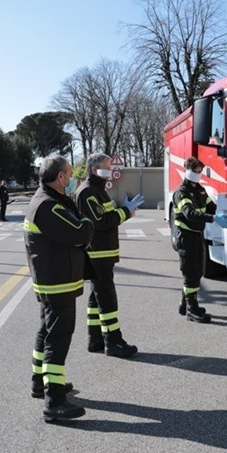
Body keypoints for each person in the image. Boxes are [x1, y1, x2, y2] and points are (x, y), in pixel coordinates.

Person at [25, 155, 94, 423]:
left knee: (46, 330)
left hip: (52, 279)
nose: (72, 177)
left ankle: (39, 383)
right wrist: (87, 221)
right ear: (61, 177)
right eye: (69, 173)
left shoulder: (46, 201)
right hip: (58, 281)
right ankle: (54, 400)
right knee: (58, 336)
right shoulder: (49, 207)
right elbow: (80, 233)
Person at [73, 152, 143, 358]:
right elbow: (101, 222)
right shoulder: (88, 192)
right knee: (107, 298)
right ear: (95, 169)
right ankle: (113, 342)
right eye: (108, 166)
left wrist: (123, 211)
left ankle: (95, 339)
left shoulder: (96, 189)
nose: (111, 170)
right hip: (98, 253)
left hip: (102, 252)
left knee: (96, 297)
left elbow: (105, 218)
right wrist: (125, 212)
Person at [172, 157, 219, 323]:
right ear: (186, 170)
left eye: (200, 171)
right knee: (191, 273)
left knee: (197, 272)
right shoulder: (181, 192)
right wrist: (213, 219)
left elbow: (212, 206)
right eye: (194, 171)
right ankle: (192, 309)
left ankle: (185, 304)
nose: (197, 174)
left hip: (197, 235)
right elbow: (189, 213)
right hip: (186, 236)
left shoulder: (200, 190)